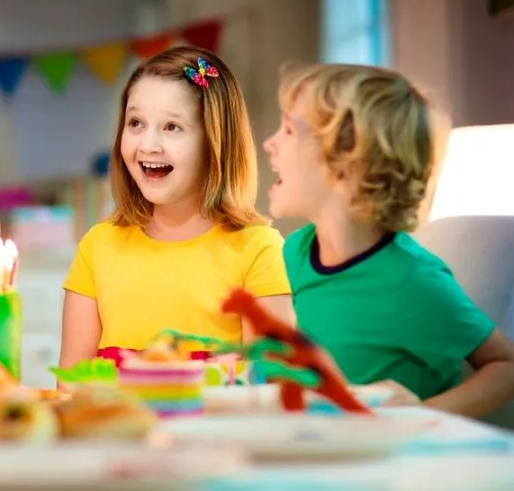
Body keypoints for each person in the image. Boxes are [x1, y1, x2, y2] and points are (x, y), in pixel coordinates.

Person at [264, 62, 514, 417]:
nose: (269, 143)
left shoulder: (412, 280)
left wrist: (421, 417)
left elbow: (505, 367)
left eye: (288, 130)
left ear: (346, 165)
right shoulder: (294, 252)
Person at [59, 46, 294, 369]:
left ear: (215, 141)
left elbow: (271, 386)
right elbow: (71, 386)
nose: (148, 144)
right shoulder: (96, 248)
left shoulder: (259, 251)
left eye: (172, 127)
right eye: (136, 123)